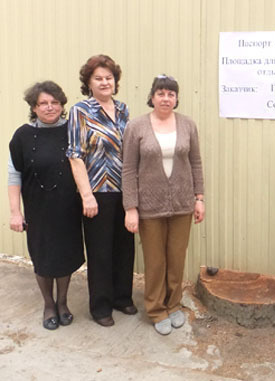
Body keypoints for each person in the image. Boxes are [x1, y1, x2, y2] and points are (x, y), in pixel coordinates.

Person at [122, 75, 204, 335]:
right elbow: (128, 169)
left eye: (171, 93)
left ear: (176, 98)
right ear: (152, 97)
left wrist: (199, 198)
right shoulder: (136, 127)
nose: (166, 98)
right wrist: (131, 207)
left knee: (176, 259)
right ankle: (156, 309)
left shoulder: (188, 125)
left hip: (182, 204)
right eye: (161, 93)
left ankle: (174, 305)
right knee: (155, 261)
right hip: (148, 206)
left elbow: (196, 163)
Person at [8, 81, 84, 330]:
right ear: (34, 106)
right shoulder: (22, 135)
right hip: (38, 210)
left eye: (54, 102)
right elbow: (14, 176)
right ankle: (48, 304)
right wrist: (15, 212)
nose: (50, 107)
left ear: (62, 105)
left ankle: (63, 303)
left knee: (65, 256)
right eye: (43, 103)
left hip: (68, 208)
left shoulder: (72, 130)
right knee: (43, 258)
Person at [67, 54, 136, 327]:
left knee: (124, 247)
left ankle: (122, 297)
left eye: (109, 78)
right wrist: (86, 195)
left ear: (115, 82)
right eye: (98, 78)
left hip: (124, 188)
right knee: (100, 251)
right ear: (89, 82)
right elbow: (75, 155)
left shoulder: (123, 110)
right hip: (97, 191)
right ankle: (101, 306)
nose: (105, 82)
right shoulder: (80, 111)